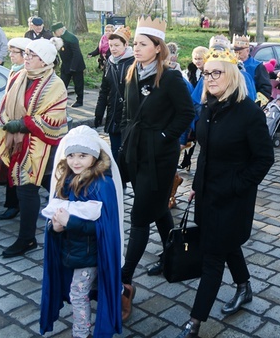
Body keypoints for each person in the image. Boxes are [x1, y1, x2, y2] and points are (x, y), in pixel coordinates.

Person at [175, 46, 274, 338]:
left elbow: (264, 159)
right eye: (206, 73)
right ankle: (244, 286)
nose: (209, 78)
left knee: (213, 256)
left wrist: (236, 185)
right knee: (225, 243)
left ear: (231, 75)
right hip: (207, 192)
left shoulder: (249, 113)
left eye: (216, 72)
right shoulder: (207, 107)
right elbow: (204, 152)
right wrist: (196, 185)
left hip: (232, 198)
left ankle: (194, 322)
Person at [119, 17, 195, 314]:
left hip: (159, 157)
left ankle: (125, 278)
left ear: (157, 47)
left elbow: (187, 112)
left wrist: (166, 137)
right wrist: (125, 136)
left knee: (140, 216)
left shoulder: (171, 78)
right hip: (135, 152)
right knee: (160, 208)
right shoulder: (131, 72)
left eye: (142, 44)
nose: (136, 49)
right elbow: (126, 111)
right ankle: (171, 255)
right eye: (134, 44)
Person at [40, 126, 123, 338]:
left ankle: (81, 333)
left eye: (82, 156)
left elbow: (104, 228)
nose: (75, 162)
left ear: (94, 157)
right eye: (71, 156)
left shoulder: (102, 185)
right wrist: (55, 227)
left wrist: (70, 222)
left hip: (91, 254)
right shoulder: (67, 179)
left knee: (77, 293)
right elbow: (56, 214)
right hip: (72, 251)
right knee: (78, 291)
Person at [0, 38, 68, 258]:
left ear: (44, 59)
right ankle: (28, 238)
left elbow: (54, 116)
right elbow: (5, 104)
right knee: (34, 188)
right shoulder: (18, 76)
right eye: (25, 54)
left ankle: (31, 238)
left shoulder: (55, 84)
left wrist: (23, 124)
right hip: (19, 145)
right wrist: (6, 121)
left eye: (31, 55)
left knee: (41, 186)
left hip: (42, 146)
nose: (25, 58)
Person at [0, 37, 33, 221]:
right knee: (12, 167)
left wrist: (16, 122)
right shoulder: (14, 71)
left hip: (21, 128)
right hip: (10, 125)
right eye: (10, 52)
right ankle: (12, 203)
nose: (10, 55)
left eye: (14, 52)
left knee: (23, 168)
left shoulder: (27, 74)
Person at [95, 26, 134, 189]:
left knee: (127, 150)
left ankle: (127, 176)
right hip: (113, 115)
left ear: (125, 45)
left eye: (117, 45)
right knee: (115, 149)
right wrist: (99, 112)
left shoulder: (134, 62)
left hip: (128, 116)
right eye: (111, 46)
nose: (114, 49)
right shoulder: (109, 62)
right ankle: (119, 180)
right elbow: (104, 90)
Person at [52, 22, 86, 108]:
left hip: (76, 65)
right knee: (62, 83)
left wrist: (73, 67)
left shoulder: (71, 37)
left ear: (60, 30)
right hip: (65, 64)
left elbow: (76, 53)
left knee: (78, 84)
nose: (54, 34)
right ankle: (59, 101)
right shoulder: (59, 38)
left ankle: (79, 100)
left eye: (55, 31)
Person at [232, 35, 272, 99]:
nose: (237, 55)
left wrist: (255, 104)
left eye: (240, 52)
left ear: (247, 51)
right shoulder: (231, 65)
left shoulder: (257, 66)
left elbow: (266, 89)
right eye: (235, 52)